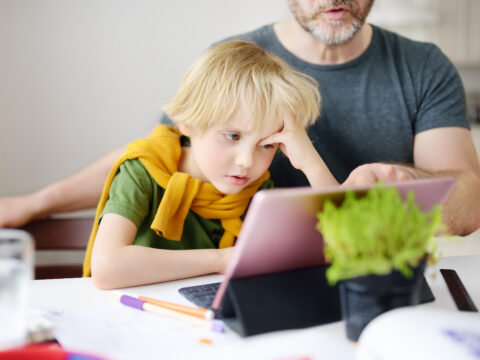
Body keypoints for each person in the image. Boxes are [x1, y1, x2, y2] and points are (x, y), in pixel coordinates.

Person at [1, 0, 479, 235]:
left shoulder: (422, 66)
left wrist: (405, 182)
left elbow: (471, 200)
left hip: (376, 269)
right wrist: (35, 204)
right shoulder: (236, 60)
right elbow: (154, 160)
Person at [86, 40, 337, 289]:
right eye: (232, 136)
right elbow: (107, 266)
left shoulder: (260, 191)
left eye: (267, 144)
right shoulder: (142, 172)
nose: (247, 161)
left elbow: (344, 242)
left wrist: (311, 162)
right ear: (188, 122)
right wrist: (222, 259)